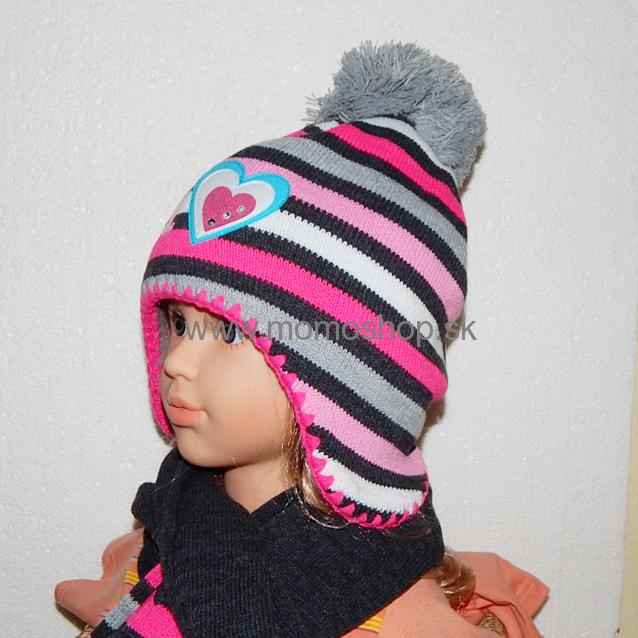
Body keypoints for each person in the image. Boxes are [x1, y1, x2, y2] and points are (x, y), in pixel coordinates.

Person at [55, 39, 549, 637]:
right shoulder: (163, 537)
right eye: (179, 323)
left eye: (228, 330)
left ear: (352, 382)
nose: (178, 359)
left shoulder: (402, 622)